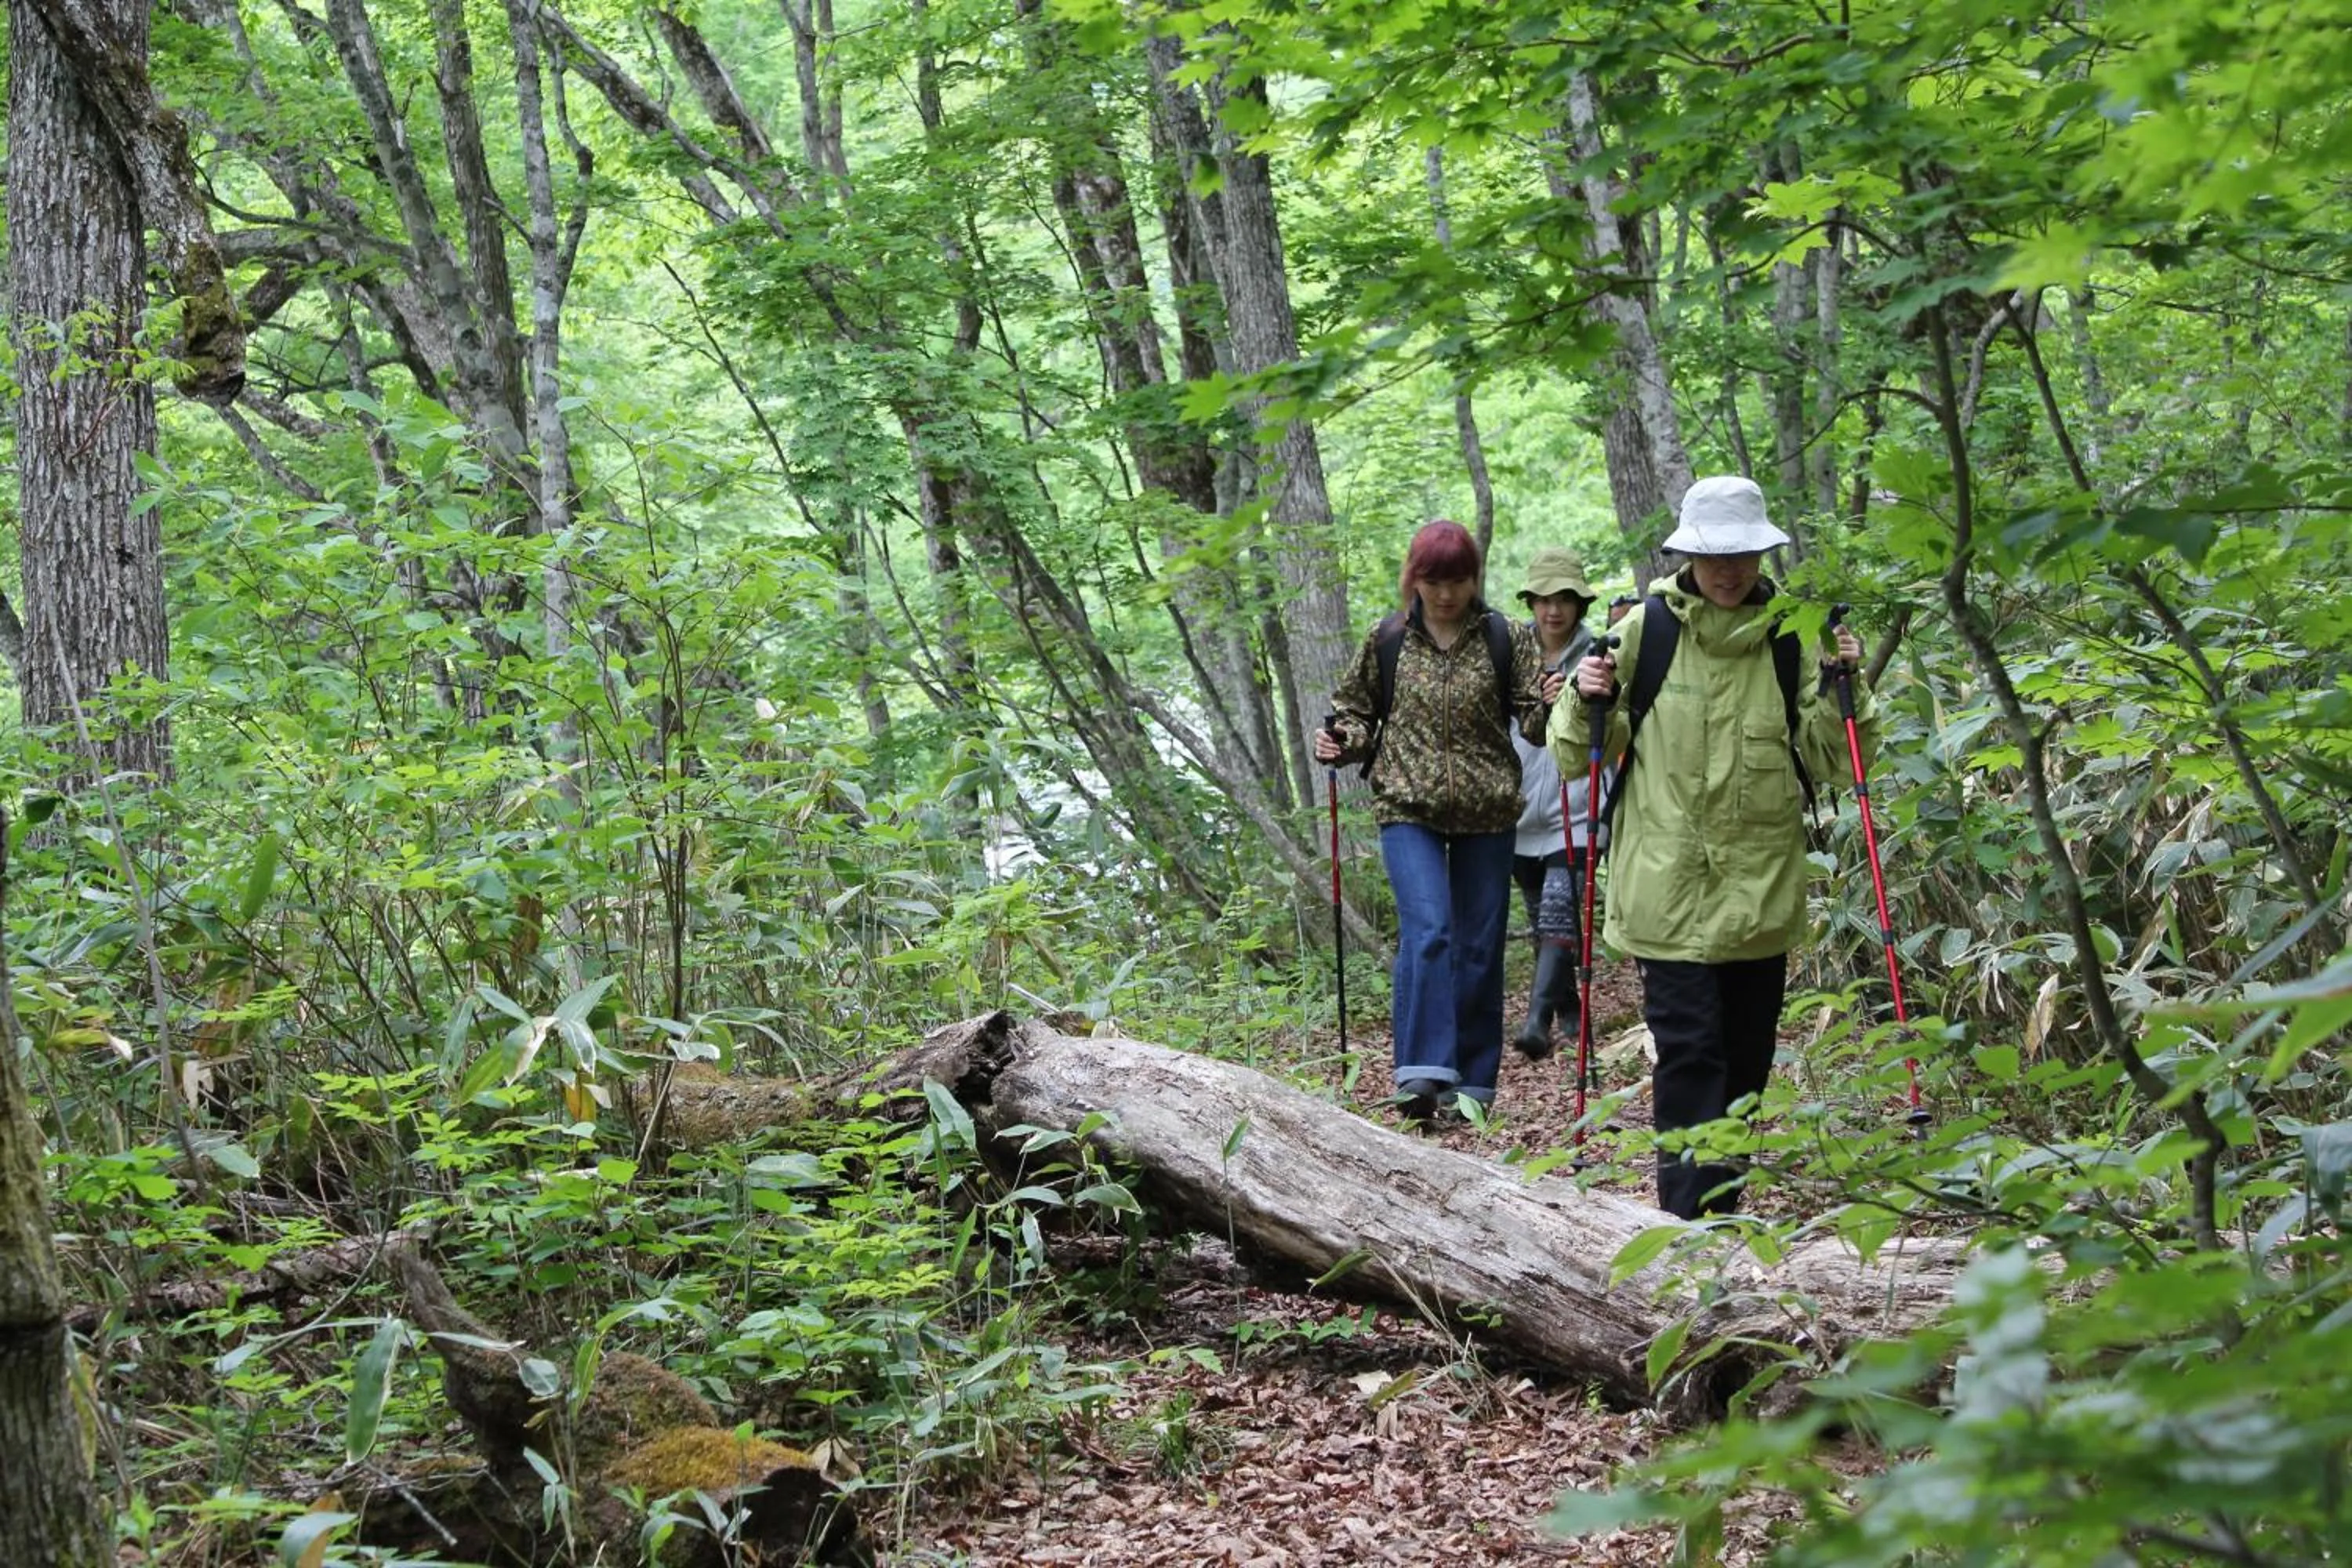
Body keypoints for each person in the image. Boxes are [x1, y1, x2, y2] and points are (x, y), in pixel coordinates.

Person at [1559, 477, 1871, 1218]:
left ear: (1762, 554)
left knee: (1746, 1064)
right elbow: (1577, 755)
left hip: (1761, 891)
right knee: (1693, 1052)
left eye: (1742, 554)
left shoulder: (1794, 638)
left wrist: (1845, 686)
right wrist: (1584, 693)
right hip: (1665, 889)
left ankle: (1720, 1214)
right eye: (1713, 555)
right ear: (1688, 557)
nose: (1728, 570)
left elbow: (1835, 762)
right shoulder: (1647, 631)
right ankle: (1687, 1228)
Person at [1316, 520, 1563, 1125]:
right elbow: (1356, 712)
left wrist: (1553, 701)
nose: (1446, 594)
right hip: (1408, 808)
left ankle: (1473, 1084)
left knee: (1479, 945)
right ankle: (1422, 1073)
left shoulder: (1506, 636)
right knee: (1429, 930)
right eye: (1434, 581)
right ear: (1415, 579)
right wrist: (1341, 740)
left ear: (1475, 579)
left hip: (1488, 809)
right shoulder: (1388, 639)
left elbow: (1535, 726)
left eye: (1458, 581)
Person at [1509, 547, 1603, 1061]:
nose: (1553, 610)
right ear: (1531, 602)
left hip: (1580, 803)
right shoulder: (1510, 653)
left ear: (1578, 603)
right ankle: (1570, 1010)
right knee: (1542, 917)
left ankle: (1537, 1021)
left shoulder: (1598, 655)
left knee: (1560, 908)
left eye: (1564, 599)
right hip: (1520, 807)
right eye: (1544, 599)